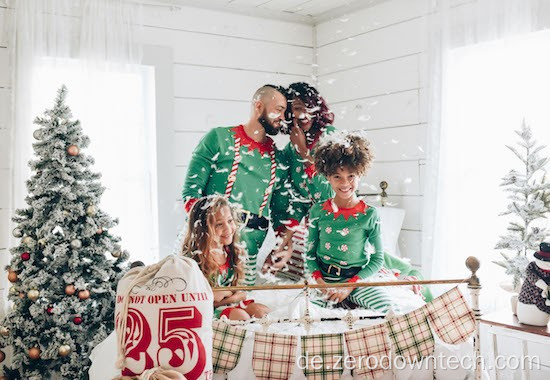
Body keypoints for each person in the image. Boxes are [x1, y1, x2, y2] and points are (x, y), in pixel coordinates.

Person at [182, 85, 293, 286]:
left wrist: (283, 244)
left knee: (242, 306)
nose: (283, 117)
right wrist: (205, 238)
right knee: (203, 300)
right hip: (209, 244)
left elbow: (280, 210)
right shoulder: (219, 139)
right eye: (279, 109)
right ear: (259, 106)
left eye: (285, 111)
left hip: (249, 249)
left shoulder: (279, 158)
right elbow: (191, 192)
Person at [305, 131, 422, 312]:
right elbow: (310, 254)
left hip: (357, 281)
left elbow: (377, 258)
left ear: (360, 174)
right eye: (337, 177)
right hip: (324, 281)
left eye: (351, 176)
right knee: (300, 311)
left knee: (391, 311)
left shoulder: (369, 214)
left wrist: (349, 286)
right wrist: (320, 282)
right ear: (327, 176)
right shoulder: (318, 211)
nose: (345, 183)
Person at [182, 196, 270, 320]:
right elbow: (199, 301)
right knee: (241, 316)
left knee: (261, 311)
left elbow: (240, 292)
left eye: (229, 221)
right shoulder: (193, 262)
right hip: (205, 312)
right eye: (219, 224)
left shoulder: (231, 252)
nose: (228, 229)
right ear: (202, 229)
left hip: (228, 304)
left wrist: (230, 296)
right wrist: (231, 296)